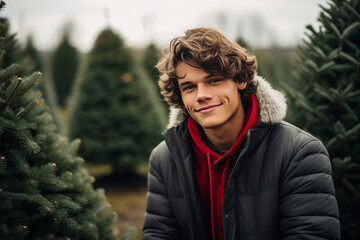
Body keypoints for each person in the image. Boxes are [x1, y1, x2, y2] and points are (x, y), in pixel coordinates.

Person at [142, 27, 340, 240]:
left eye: (213, 80)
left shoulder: (299, 153)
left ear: (240, 80)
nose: (202, 95)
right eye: (189, 87)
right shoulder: (164, 159)